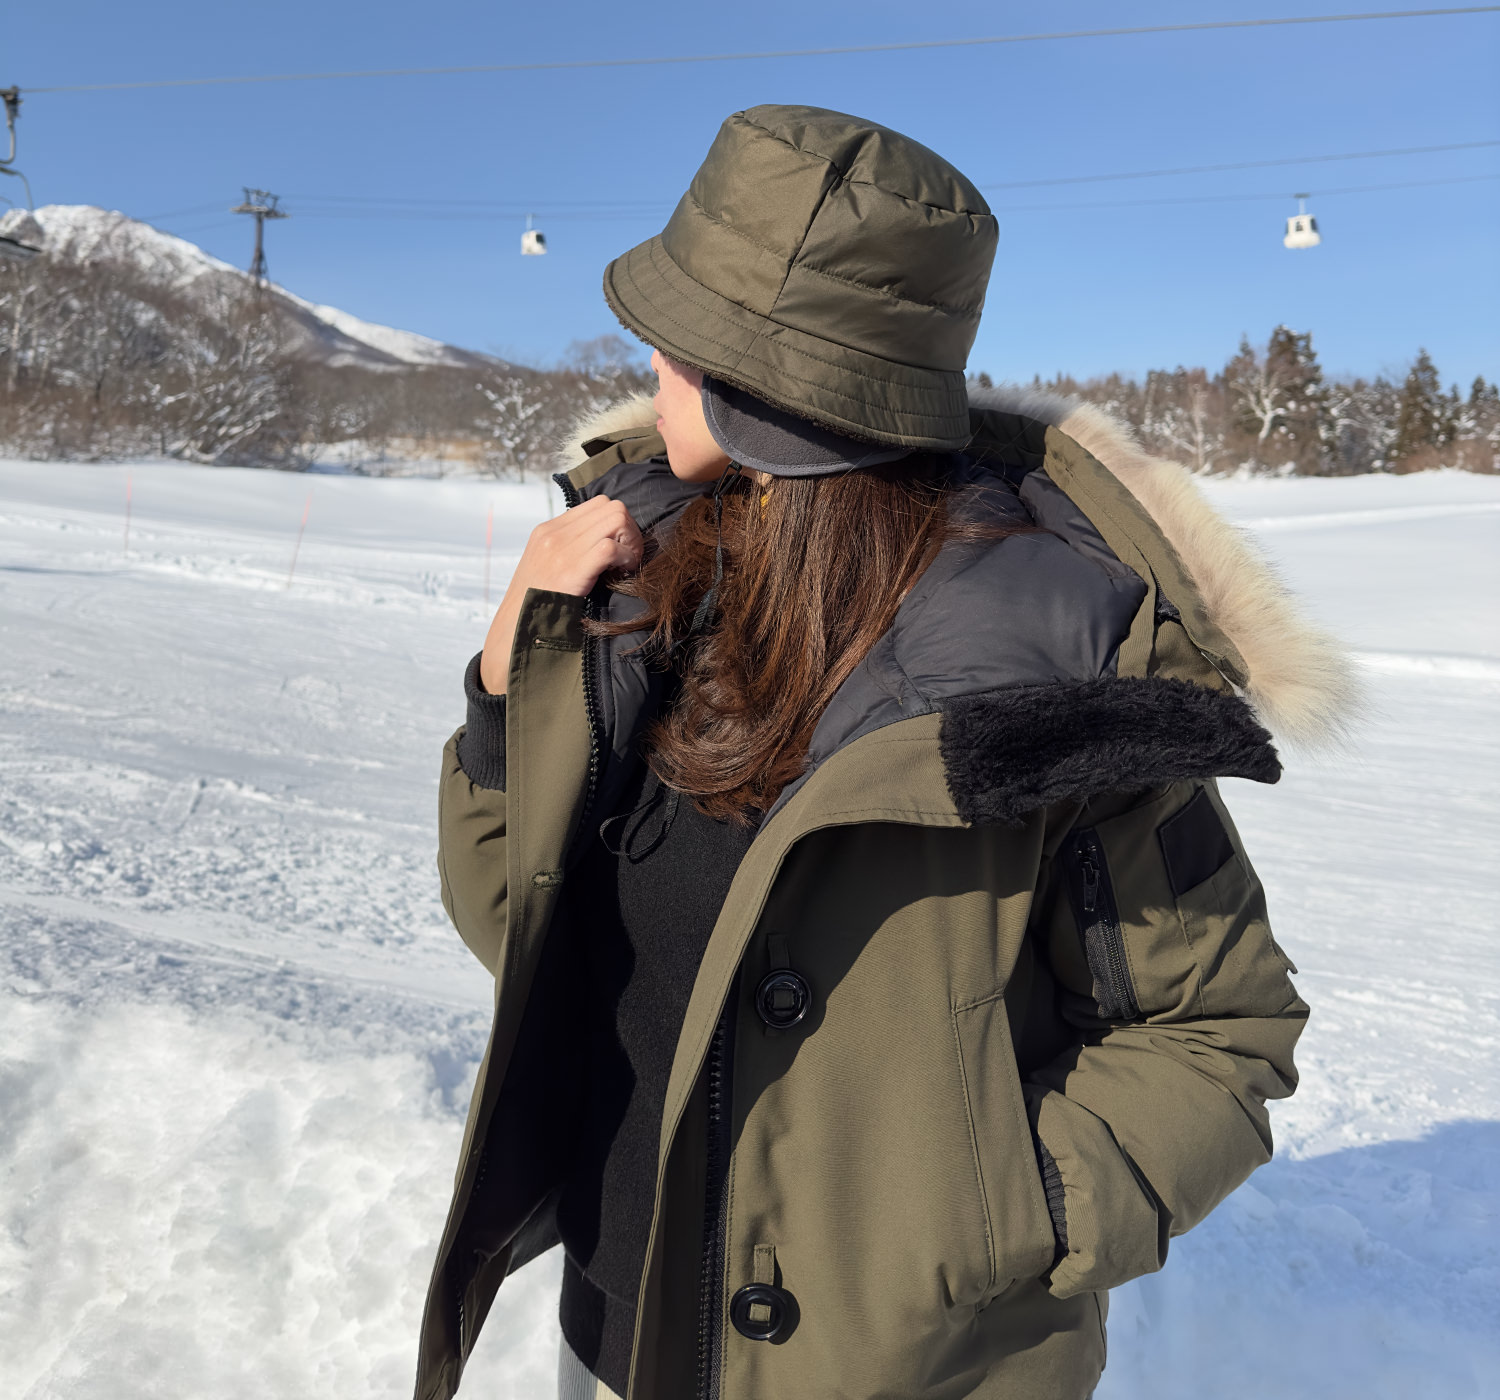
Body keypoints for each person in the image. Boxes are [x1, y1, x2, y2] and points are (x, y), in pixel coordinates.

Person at [413, 106, 1350, 1400]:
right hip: (611, 1340)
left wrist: (979, 1223)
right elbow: (512, 926)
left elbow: (1219, 1031)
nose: (644, 354)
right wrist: (509, 672)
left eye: (683, 336)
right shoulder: (640, 583)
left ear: (770, 387)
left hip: (903, 1372)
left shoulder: (1058, 679)